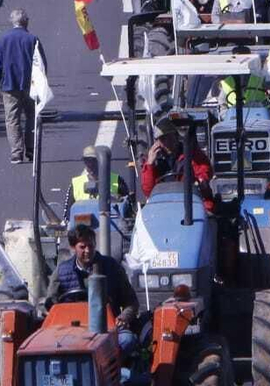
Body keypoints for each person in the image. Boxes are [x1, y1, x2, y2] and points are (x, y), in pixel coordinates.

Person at [43, 225, 139, 355]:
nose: (88, 250)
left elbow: (131, 302)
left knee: (127, 340)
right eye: (82, 247)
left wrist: (123, 317)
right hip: (71, 328)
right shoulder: (61, 271)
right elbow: (50, 304)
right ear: (73, 247)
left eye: (91, 246)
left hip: (107, 327)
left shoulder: (111, 267)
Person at [0, 9, 45, 164]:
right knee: (32, 117)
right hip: (31, 86)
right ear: (26, 22)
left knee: (12, 120)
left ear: (12, 22)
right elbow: (42, 64)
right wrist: (42, 85)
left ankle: (16, 153)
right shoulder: (32, 39)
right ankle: (31, 149)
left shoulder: (3, 40)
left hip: (9, 86)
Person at [140, 118, 214, 202]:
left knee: (208, 206)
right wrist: (150, 164)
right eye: (163, 139)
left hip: (190, 199)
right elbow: (148, 191)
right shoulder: (154, 161)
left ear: (176, 136)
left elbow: (204, 172)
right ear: (157, 142)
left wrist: (201, 181)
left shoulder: (191, 153)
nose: (167, 142)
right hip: (164, 201)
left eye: (170, 137)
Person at [65, 148, 127, 215]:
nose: (90, 165)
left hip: (111, 220)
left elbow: (128, 207)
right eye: (87, 161)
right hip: (83, 220)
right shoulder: (76, 183)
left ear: (102, 161)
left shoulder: (117, 180)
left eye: (94, 161)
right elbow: (68, 214)